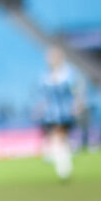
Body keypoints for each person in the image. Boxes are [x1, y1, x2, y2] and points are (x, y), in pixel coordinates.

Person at [39, 46, 85, 181]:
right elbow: (44, 95)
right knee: (57, 138)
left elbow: (77, 90)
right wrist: (41, 107)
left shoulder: (68, 74)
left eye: (52, 57)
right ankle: (63, 161)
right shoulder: (46, 75)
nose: (49, 60)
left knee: (58, 137)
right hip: (51, 113)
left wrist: (78, 103)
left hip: (65, 111)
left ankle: (63, 166)